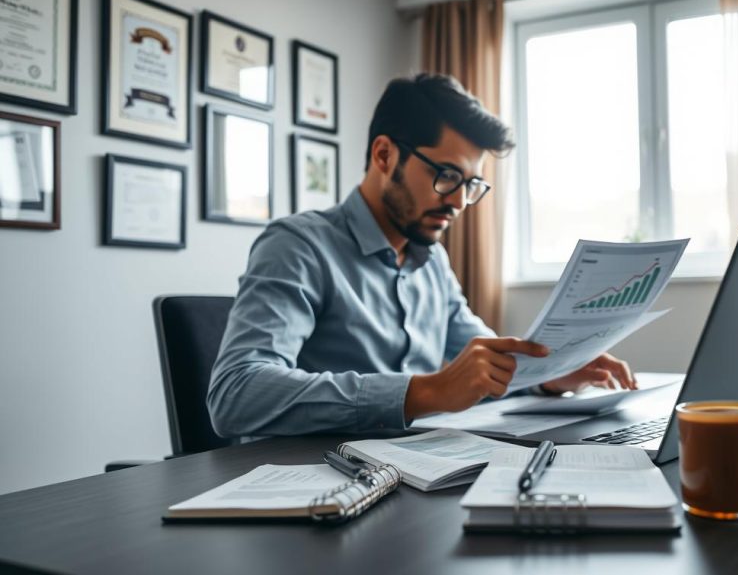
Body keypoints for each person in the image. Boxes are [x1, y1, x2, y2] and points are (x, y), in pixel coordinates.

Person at [207, 73, 636, 437]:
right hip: (317, 490)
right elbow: (236, 393)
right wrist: (424, 393)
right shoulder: (299, 246)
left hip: (416, 476)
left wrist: (549, 374)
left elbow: (482, 361)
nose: (459, 203)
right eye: (447, 176)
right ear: (384, 155)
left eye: (471, 185)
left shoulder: (431, 260)